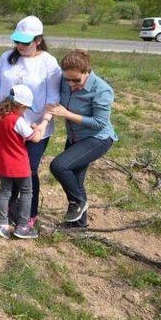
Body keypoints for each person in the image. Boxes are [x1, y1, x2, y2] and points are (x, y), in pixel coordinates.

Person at [0, 16, 61, 229]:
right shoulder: (7, 58)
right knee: (9, 168)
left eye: (25, 42)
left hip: (35, 127)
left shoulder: (48, 63)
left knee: (28, 169)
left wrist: (43, 123)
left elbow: (53, 97)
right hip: (8, 126)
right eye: (17, 41)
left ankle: (29, 213)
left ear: (38, 40)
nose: (20, 46)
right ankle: (9, 207)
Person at [47, 50, 117, 227]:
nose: (71, 84)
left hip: (97, 139)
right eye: (68, 79)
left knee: (59, 166)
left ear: (87, 71)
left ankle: (77, 202)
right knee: (76, 181)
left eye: (76, 80)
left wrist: (67, 114)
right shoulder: (65, 81)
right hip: (75, 137)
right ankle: (79, 225)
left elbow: (99, 123)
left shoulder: (102, 90)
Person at [0, 85, 42, 239]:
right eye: (25, 108)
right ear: (20, 105)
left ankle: (3, 225)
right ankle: (23, 226)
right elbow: (35, 138)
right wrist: (37, 128)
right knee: (27, 192)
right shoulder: (17, 120)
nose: (25, 111)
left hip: (2, 162)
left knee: (5, 192)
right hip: (19, 164)